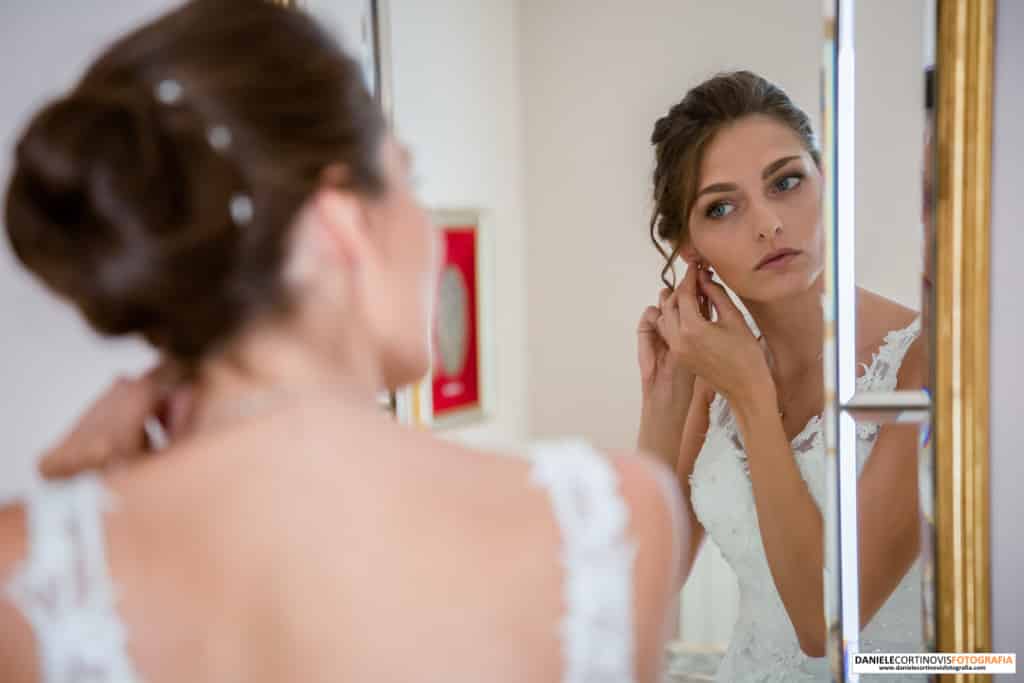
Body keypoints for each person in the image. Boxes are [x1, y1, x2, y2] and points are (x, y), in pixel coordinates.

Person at [0, 2, 683, 681]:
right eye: (407, 179)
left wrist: (80, 525)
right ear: (344, 217)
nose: (432, 231)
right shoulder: (605, 523)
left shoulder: (29, 575)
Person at [636, 71, 926, 681]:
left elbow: (826, 626)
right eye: (722, 207)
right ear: (690, 250)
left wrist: (751, 396)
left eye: (786, 182)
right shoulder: (715, 372)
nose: (767, 223)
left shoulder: (922, 361)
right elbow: (642, 587)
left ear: (827, 182)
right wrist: (665, 398)